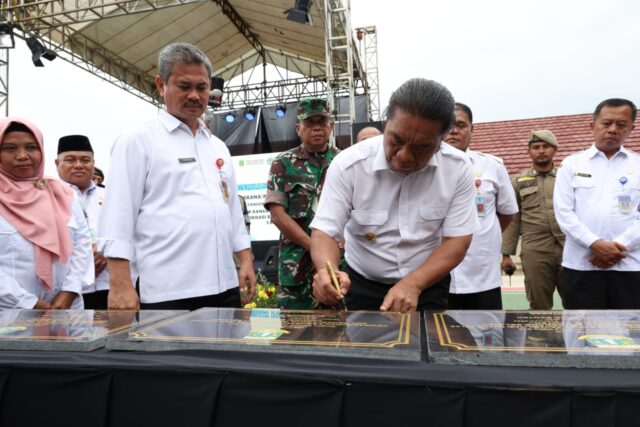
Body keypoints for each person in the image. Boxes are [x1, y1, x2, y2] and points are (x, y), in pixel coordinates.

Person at [98, 42, 255, 310]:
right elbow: (117, 216)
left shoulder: (217, 146)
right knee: (172, 354)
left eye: (202, 87)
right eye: (184, 86)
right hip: (167, 291)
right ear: (161, 85)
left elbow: (230, 211)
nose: (195, 95)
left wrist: (246, 259)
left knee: (226, 352)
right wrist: (120, 284)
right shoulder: (137, 141)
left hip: (224, 286)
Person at [310, 78, 476, 312]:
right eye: (396, 140)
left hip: (428, 284)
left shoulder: (458, 168)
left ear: (441, 140)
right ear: (386, 123)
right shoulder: (349, 165)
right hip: (362, 285)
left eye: (422, 147)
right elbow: (325, 231)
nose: (405, 156)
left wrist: (414, 284)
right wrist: (328, 271)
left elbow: (457, 241)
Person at [553, 98, 639, 309]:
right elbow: (564, 213)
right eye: (606, 123)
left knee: (631, 335)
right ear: (592, 126)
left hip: (628, 265)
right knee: (582, 333)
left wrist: (618, 248)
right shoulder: (571, 165)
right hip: (582, 265)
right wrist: (596, 244)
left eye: (621, 124)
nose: (612, 129)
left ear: (631, 128)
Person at [0, 118, 93, 309]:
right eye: (10, 148)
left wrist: (69, 292)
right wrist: (29, 303)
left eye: (31, 147)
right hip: (10, 314)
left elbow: (82, 245)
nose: (22, 155)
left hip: (67, 309)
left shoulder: (62, 193)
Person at [264, 97, 339, 309]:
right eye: (309, 123)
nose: (317, 129)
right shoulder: (283, 163)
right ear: (298, 128)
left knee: (338, 331)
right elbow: (278, 215)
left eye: (321, 123)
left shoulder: (343, 162)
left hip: (335, 265)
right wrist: (314, 246)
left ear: (330, 126)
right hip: (295, 267)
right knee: (292, 332)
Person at [445, 103, 518, 309]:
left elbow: (507, 212)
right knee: (441, 336)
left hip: (481, 272)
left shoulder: (492, 166)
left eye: (461, 125)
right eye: (449, 126)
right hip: (439, 273)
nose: (454, 131)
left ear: (471, 130)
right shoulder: (424, 168)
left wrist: (484, 234)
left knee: (487, 335)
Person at [56, 135, 131, 309]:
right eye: (70, 159)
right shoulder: (49, 196)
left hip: (110, 284)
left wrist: (106, 247)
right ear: (56, 163)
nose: (79, 165)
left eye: (85, 160)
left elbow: (130, 228)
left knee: (115, 333)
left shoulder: (112, 195)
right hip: (70, 291)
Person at [502, 130, 565, 309]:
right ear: (529, 151)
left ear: (555, 150)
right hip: (535, 250)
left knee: (576, 301)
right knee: (539, 303)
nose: (541, 150)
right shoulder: (518, 181)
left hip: (568, 248)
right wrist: (506, 255)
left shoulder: (566, 178)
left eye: (546, 146)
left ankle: (574, 337)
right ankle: (540, 337)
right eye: (536, 147)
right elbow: (512, 220)